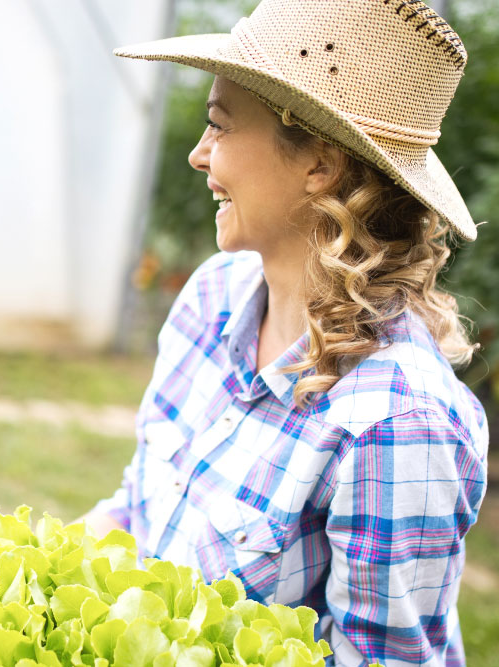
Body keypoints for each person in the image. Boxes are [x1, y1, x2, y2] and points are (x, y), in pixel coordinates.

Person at [83, 1, 488, 665]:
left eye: (219, 125)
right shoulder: (211, 297)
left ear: (320, 166)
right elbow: (139, 512)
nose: (197, 153)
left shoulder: (396, 420)